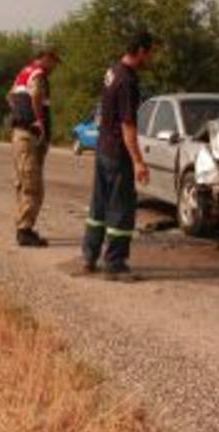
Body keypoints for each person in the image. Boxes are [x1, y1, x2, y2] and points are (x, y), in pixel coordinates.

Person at [80, 32, 154, 282]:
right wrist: (138, 161)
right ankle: (115, 263)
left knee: (98, 206)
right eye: (150, 53)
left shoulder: (113, 71)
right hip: (117, 151)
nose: (151, 58)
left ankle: (89, 257)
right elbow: (128, 125)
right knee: (121, 208)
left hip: (103, 148)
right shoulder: (128, 80)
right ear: (141, 51)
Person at [7, 48, 60, 247]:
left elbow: (10, 97)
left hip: (20, 134)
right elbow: (37, 96)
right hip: (29, 136)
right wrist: (38, 122)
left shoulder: (23, 73)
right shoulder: (38, 74)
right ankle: (25, 231)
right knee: (33, 185)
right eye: (53, 62)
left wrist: (19, 114)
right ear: (45, 59)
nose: (54, 67)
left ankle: (24, 225)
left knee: (23, 182)